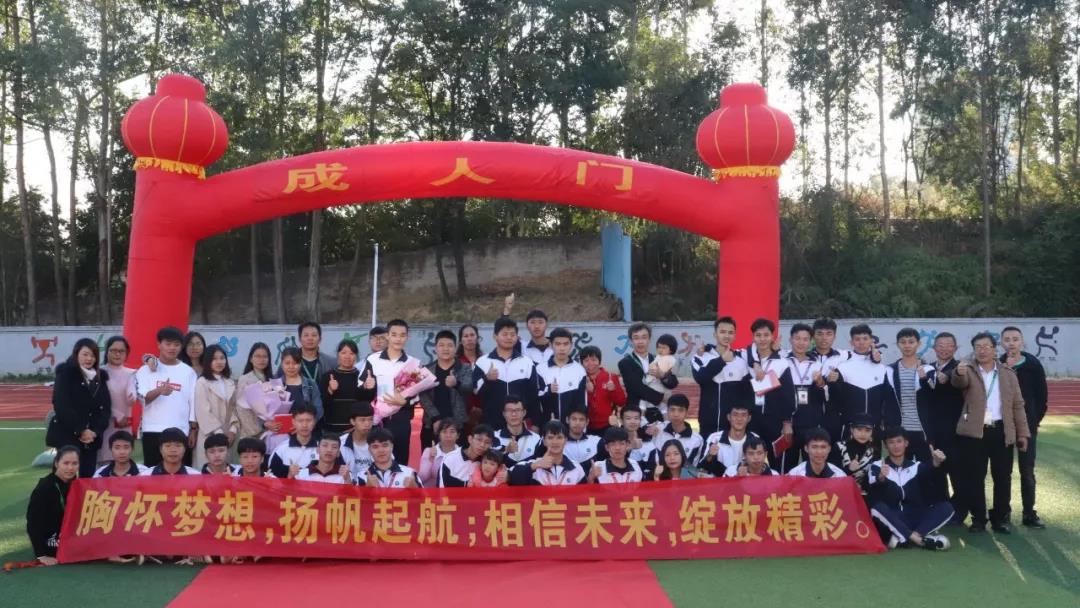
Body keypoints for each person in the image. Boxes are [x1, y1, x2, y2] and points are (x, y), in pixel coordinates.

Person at [952, 332, 1030, 534]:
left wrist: (1023, 434)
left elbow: (1018, 405)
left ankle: (1000, 518)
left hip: (1001, 431)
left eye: (986, 346)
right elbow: (959, 383)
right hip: (975, 433)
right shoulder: (968, 370)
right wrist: (958, 372)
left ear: (995, 349)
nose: (982, 350)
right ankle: (978, 518)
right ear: (973, 350)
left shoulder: (1008, 374)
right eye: (978, 347)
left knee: (1003, 477)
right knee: (975, 477)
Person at [869, 427, 953, 550]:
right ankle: (919, 540)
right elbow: (873, 484)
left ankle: (909, 536)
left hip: (915, 517)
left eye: (899, 441)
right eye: (891, 442)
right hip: (893, 518)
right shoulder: (877, 466)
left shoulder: (916, 466)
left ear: (906, 443)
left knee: (946, 507)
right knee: (877, 508)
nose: (896, 446)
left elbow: (929, 470)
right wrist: (881, 477)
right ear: (886, 446)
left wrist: (936, 462)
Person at [999, 326, 1049, 529]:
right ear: (1001, 342)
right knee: (1003, 472)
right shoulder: (998, 364)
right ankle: (1003, 514)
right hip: (1002, 427)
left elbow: (1042, 396)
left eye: (1015, 339)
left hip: (1027, 427)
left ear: (1022, 342)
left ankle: (1029, 513)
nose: (1011, 343)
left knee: (1027, 471)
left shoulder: (1033, 364)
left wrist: (1033, 421)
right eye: (1007, 339)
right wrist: (1007, 368)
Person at [47, 338, 111, 478]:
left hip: (91, 439)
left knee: (87, 478)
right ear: (76, 354)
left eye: (93, 355)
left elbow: (106, 408)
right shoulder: (65, 373)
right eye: (85, 354)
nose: (89, 359)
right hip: (67, 435)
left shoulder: (100, 377)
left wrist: (95, 432)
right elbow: (61, 405)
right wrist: (81, 430)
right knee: (64, 476)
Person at [135, 326, 198, 468]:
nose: (172, 348)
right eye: (168, 344)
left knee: (181, 474)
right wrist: (159, 391)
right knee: (154, 472)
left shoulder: (188, 372)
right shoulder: (145, 370)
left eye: (176, 344)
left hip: (181, 430)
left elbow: (193, 402)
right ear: (159, 345)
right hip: (152, 430)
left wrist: (193, 429)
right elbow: (142, 398)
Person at [828, 324, 900, 441]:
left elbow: (887, 399)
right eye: (857, 339)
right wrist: (832, 383)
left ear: (871, 341)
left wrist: (886, 423)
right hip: (850, 429)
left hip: (874, 429)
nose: (861, 342)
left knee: (873, 454)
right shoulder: (842, 367)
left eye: (865, 339)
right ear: (851, 342)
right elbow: (835, 399)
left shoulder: (882, 368)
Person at [366, 319, 422, 464]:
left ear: (407, 337)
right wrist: (368, 387)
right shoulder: (373, 359)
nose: (398, 339)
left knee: (400, 462)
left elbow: (418, 394)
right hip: (378, 420)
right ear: (387, 336)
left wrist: (405, 402)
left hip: (401, 419)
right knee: (376, 460)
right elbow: (360, 390)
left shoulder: (414, 363)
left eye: (402, 335)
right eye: (394, 334)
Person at [744, 318, 796, 471]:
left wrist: (787, 422)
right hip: (752, 419)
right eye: (758, 335)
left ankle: (779, 485)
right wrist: (755, 364)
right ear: (753, 337)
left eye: (766, 335)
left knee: (778, 460)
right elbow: (747, 350)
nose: (762, 339)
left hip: (774, 420)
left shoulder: (781, 363)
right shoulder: (747, 359)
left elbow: (788, 395)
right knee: (751, 460)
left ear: (772, 336)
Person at [473, 316, 543, 428]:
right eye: (505, 334)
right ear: (495, 336)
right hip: (492, 425)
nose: (509, 337)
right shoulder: (483, 362)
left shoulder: (527, 362)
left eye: (512, 334)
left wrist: (535, 424)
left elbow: (533, 396)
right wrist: (487, 379)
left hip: (520, 426)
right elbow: (476, 391)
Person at [925, 332, 966, 521]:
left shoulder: (960, 368)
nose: (944, 349)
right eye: (940, 345)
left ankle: (959, 511)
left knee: (958, 473)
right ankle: (943, 510)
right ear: (934, 348)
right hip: (933, 430)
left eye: (949, 345)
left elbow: (960, 380)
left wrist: (948, 375)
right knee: (937, 472)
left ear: (955, 348)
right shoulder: (927, 369)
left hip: (955, 431)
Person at [692, 316, 750, 440]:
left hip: (733, 427)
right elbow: (700, 378)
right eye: (722, 332)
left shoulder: (742, 360)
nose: (726, 336)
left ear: (735, 336)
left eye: (730, 332)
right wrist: (722, 360)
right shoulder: (701, 356)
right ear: (715, 334)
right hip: (708, 424)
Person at [887, 328, 937, 465]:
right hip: (900, 431)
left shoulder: (928, 369)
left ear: (918, 344)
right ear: (897, 344)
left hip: (923, 430)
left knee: (926, 470)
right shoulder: (890, 370)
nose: (907, 345)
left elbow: (934, 396)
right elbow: (887, 400)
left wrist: (924, 379)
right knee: (902, 470)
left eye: (911, 342)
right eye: (903, 342)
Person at [25, 445, 79, 566]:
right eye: (66, 463)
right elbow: (33, 522)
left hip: (69, 536)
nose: (70, 468)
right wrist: (41, 555)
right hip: (52, 542)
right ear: (56, 463)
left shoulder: (76, 484)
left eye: (74, 463)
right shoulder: (45, 487)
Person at [419, 330, 472, 448]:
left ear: (456, 348)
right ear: (435, 348)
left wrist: (456, 384)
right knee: (430, 458)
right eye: (441, 345)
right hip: (432, 425)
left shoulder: (465, 368)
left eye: (450, 345)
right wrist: (435, 418)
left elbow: (469, 388)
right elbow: (423, 396)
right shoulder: (427, 370)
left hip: (458, 426)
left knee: (459, 458)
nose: (445, 349)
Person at [618, 323, 678, 425]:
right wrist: (662, 398)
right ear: (631, 341)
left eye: (644, 337)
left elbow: (673, 382)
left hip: (658, 414)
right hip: (636, 414)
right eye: (636, 338)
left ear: (649, 339)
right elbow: (637, 388)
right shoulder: (625, 363)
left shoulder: (659, 359)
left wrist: (663, 376)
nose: (640, 341)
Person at [787, 323, 826, 466]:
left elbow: (822, 396)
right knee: (787, 464)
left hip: (810, 423)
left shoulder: (817, 364)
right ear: (790, 340)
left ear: (810, 342)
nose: (801, 343)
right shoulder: (783, 362)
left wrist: (820, 383)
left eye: (805, 339)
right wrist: (786, 422)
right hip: (788, 424)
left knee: (810, 464)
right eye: (797, 338)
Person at [192, 345, 237, 469]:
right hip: (209, 434)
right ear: (207, 361)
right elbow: (203, 411)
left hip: (228, 436)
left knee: (226, 472)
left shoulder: (230, 382)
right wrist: (219, 434)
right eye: (214, 359)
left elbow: (234, 409)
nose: (219, 362)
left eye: (222, 358)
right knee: (208, 471)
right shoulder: (202, 382)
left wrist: (233, 430)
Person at [320, 339, 377, 435]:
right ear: (338, 354)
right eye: (343, 353)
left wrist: (369, 389)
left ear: (356, 356)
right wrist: (330, 390)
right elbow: (321, 404)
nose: (347, 356)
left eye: (351, 353)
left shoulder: (362, 377)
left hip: (356, 430)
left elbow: (366, 404)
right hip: (331, 431)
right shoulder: (328, 376)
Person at [98, 336, 138, 464]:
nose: (117, 354)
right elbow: (99, 400)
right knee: (104, 463)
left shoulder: (132, 373)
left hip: (124, 424)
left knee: (122, 461)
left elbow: (132, 391)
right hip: (104, 425)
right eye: (113, 350)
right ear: (107, 352)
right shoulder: (99, 372)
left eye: (121, 351)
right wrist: (117, 414)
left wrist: (132, 397)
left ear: (126, 354)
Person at [510, 421, 587, 485]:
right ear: (544, 441)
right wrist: (535, 465)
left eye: (559, 437)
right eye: (550, 438)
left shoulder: (576, 468)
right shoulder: (533, 465)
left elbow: (584, 494)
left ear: (566, 440)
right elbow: (512, 478)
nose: (555, 442)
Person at [812, 317, 851, 442]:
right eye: (820, 334)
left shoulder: (845, 356)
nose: (824, 338)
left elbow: (864, 356)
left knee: (834, 449)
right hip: (810, 415)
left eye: (829, 334)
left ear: (834, 336)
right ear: (813, 336)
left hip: (834, 416)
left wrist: (875, 357)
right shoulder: (805, 357)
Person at [537, 327, 588, 423]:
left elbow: (582, 403)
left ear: (571, 345)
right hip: (547, 426)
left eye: (566, 344)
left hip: (571, 427)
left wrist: (581, 427)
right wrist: (549, 390)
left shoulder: (579, 371)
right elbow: (535, 399)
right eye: (558, 344)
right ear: (551, 345)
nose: (562, 348)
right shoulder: (540, 369)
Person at [700, 404, 760, 477]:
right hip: (720, 482)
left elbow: (761, 468)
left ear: (749, 418)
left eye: (743, 415)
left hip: (746, 482)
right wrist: (710, 455)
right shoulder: (714, 438)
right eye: (735, 414)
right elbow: (701, 469)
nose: (739, 419)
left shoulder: (755, 439)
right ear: (729, 417)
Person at [233, 342, 276, 443]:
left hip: (272, 432)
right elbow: (242, 410)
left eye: (265, 356)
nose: (261, 360)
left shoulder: (273, 380)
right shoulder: (245, 379)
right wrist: (261, 426)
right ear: (251, 359)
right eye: (257, 356)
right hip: (252, 434)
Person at [830, 413, 879, 497]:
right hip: (839, 493)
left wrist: (863, 486)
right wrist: (849, 469)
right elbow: (831, 475)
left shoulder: (874, 451)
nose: (863, 434)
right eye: (859, 429)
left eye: (867, 430)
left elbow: (873, 480)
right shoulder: (839, 447)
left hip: (864, 494)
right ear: (851, 429)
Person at [580, 346, 626, 435]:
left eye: (593, 360)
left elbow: (621, 402)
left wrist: (613, 390)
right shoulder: (580, 379)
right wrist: (589, 392)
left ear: (599, 361)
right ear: (582, 363)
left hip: (607, 425)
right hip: (586, 426)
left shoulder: (611, 377)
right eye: (586, 360)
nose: (590, 363)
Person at [268, 403, 321, 478]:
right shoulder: (281, 449)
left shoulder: (323, 449)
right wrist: (289, 475)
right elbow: (271, 479)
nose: (304, 425)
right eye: (300, 421)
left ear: (314, 422)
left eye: (308, 420)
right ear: (293, 422)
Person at [651, 394, 704, 464]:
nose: (676, 414)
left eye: (681, 410)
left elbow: (692, 466)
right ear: (667, 411)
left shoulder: (697, 440)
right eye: (672, 410)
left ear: (686, 412)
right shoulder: (657, 431)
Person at [503, 293, 554, 366]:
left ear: (546, 325)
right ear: (527, 325)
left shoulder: (557, 345)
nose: (536, 326)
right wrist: (507, 309)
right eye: (532, 322)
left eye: (540, 322)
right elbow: (503, 329)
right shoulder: (521, 347)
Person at [492, 395, 543, 466]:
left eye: (518, 410)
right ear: (504, 414)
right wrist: (506, 450)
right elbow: (490, 461)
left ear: (524, 412)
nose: (514, 414)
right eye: (509, 410)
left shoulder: (536, 438)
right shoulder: (494, 436)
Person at [278, 347, 325, 422]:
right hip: (282, 428)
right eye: (287, 363)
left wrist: (305, 424)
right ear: (282, 364)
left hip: (306, 428)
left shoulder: (311, 385)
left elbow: (319, 411)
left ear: (300, 364)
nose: (291, 367)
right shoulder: (275, 385)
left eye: (295, 363)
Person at [456, 323, 485, 436]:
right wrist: (470, 408)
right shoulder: (456, 362)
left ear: (477, 338)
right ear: (460, 341)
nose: (469, 339)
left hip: (483, 411)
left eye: (472, 335)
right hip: (462, 413)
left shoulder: (485, 360)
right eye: (466, 336)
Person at [619, 404, 658, 478]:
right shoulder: (614, 441)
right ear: (621, 421)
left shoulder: (649, 442)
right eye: (628, 418)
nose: (633, 422)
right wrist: (630, 448)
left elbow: (652, 468)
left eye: (636, 418)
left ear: (640, 420)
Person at [340, 403, 375, 484]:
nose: (367, 424)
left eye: (370, 419)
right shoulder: (340, 443)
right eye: (362, 420)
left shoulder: (379, 442)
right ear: (352, 421)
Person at [420, 419, 461, 487]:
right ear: (439, 435)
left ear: (458, 435)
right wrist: (430, 460)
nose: (448, 435)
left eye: (452, 432)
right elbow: (422, 477)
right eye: (444, 432)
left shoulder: (462, 454)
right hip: (432, 490)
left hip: (454, 491)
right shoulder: (428, 451)